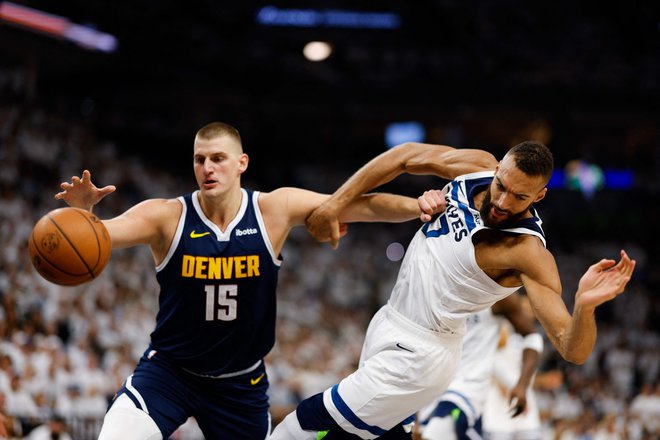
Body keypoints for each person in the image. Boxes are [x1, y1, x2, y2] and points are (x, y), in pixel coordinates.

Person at [53, 122, 424, 440]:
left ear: (242, 163)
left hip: (239, 383)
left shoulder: (273, 210)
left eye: (218, 158)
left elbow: (356, 205)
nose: (207, 168)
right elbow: (100, 235)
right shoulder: (166, 216)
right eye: (200, 160)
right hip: (170, 372)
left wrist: (417, 206)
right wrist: (83, 218)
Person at [269, 140, 636, 439]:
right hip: (389, 321)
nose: (504, 202)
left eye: (520, 197)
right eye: (502, 186)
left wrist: (585, 306)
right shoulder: (475, 166)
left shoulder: (528, 253)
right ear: (497, 170)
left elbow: (572, 348)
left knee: (300, 426)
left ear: (539, 197)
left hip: (420, 356)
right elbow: (403, 156)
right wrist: (336, 204)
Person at [414, 291, 542, 440]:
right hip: (436, 384)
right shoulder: (439, 289)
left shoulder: (499, 297)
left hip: (467, 387)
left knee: (437, 431)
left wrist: (521, 384)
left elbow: (530, 338)